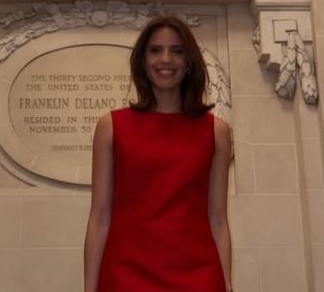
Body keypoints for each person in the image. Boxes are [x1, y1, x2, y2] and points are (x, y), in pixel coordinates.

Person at [83, 16, 233, 292]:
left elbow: (218, 219)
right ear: (142, 61)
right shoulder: (111, 127)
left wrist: (228, 285)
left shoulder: (217, 132)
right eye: (155, 50)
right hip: (125, 275)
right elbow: (100, 216)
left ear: (189, 63)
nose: (166, 59)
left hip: (198, 276)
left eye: (177, 51)